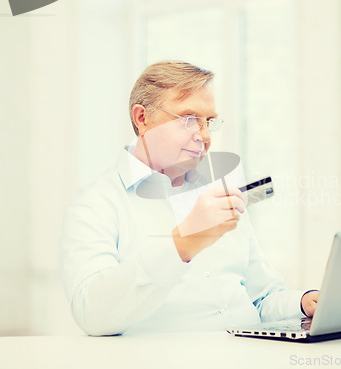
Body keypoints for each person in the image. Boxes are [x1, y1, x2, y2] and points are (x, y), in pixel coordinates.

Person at [59, 61, 319, 336]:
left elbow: (262, 297)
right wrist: (182, 244)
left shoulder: (218, 192)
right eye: (188, 119)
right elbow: (92, 315)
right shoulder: (95, 204)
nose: (205, 136)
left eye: (208, 122)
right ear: (142, 118)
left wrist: (304, 303)